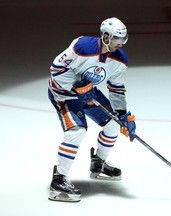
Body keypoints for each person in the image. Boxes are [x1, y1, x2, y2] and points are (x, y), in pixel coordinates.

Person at [47, 17, 136, 202]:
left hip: (87, 92)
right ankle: (58, 180)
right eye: (116, 38)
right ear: (105, 37)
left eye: (123, 38)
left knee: (113, 125)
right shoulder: (81, 46)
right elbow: (55, 70)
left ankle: (99, 164)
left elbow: (117, 88)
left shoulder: (120, 60)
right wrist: (75, 87)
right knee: (77, 131)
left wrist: (122, 115)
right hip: (64, 93)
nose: (120, 43)